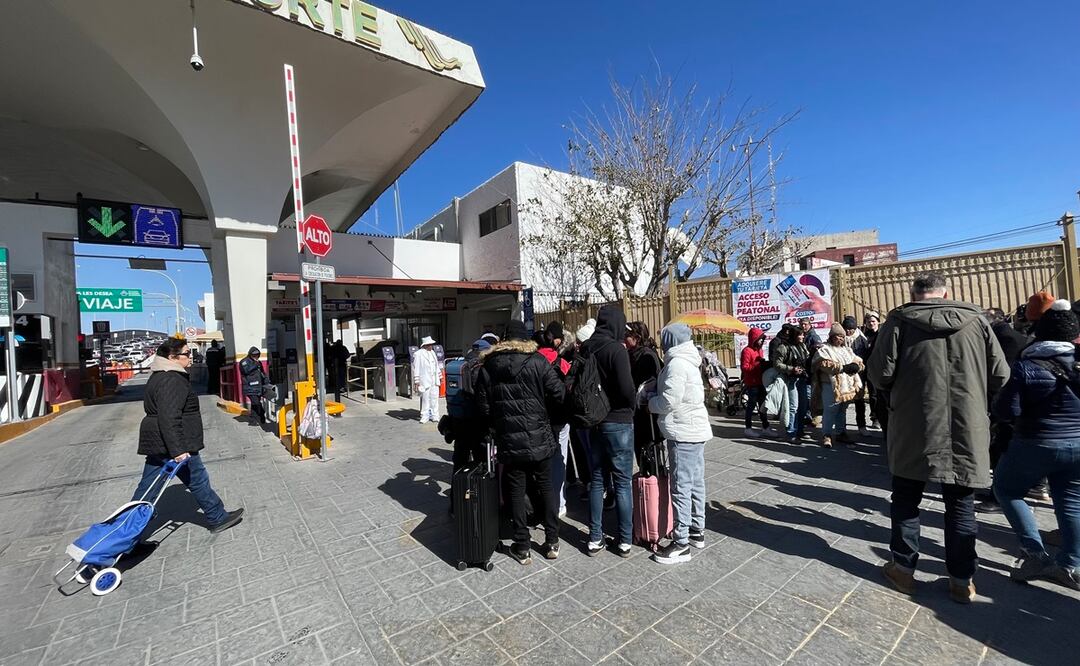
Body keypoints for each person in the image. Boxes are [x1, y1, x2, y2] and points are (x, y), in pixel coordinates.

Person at [868, 272, 1009, 604]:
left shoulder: (899, 322)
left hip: (913, 424)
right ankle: (962, 580)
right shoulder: (977, 322)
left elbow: (879, 372)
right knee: (961, 504)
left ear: (914, 294)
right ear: (946, 294)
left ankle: (903, 570)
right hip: (966, 426)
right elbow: (1001, 374)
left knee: (906, 498)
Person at [991, 300, 1080, 590]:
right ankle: (1071, 565)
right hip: (1078, 443)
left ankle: (1035, 554)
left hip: (1036, 441)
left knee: (1006, 489)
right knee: (1071, 501)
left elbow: (1007, 410)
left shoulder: (1026, 366)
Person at [476, 320, 565, 564]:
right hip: (540, 437)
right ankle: (552, 540)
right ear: (526, 339)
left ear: (504, 339)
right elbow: (559, 393)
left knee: (515, 490)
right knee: (546, 487)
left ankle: (522, 545)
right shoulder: (538, 361)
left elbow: (483, 407)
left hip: (509, 439)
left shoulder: (489, 366)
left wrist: (497, 423)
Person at [132, 338, 243, 533]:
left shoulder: (161, 375)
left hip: (161, 442)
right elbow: (169, 416)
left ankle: (127, 535)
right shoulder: (172, 379)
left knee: (148, 490)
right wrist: (178, 450)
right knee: (196, 479)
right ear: (172, 357)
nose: (190, 357)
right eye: (186, 354)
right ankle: (217, 517)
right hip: (174, 443)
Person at [648, 323, 712, 564]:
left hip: (683, 431)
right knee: (695, 482)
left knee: (681, 487)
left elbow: (668, 401)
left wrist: (649, 402)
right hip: (695, 429)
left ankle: (681, 543)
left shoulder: (676, 364)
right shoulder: (689, 360)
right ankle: (697, 530)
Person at [580, 304, 637, 557]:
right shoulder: (617, 350)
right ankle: (624, 540)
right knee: (622, 482)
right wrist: (632, 404)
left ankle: (594, 537)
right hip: (619, 420)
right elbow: (626, 389)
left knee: (597, 480)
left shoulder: (586, 348)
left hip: (593, 421)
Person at [537, 321, 572, 518]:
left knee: (542, 461)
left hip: (537, 418)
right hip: (559, 418)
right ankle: (559, 503)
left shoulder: (532, 361)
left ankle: (542, 502)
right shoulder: (562, 363)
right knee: (560, 458)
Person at [813, 323, 863, 448]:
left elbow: (858, 361)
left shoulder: (847, 350)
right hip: (830, 385)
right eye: (837, 336)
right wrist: (843, 367)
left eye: (842, 336)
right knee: (830, 410)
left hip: (846, 386)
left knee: (842, 410)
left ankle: (841, 432)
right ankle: (827, 434)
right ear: (831, 337)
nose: (840, 339)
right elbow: (823, 364)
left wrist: (857, 366)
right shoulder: (824, 349)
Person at [625, 321, 662, 468]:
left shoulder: (647, 355)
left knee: (649, 451)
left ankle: (652, 477)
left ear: (637, 338)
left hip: (647, 413)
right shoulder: (631, 354)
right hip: (636, 412)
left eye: (627, 336)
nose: (624, 339)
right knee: (640, 450)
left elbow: (651, 384)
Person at [773, 325, 811, 444]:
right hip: (791, 380)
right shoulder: (783, 347)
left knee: (803, 406)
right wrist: (791, 369)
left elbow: (807, 358)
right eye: (800, 335)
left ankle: (800, 430)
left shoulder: (802, 346)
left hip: (802, 380)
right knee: (793, 407)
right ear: (794, 335)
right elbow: (777, 364)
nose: (802, 337)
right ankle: (791, 433)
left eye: (803, 334)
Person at [740, 327, 770, 438]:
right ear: (754, 339)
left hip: (760, 381)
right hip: (752, 383)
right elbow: (744, 367)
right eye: (760, 339)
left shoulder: (759, 350)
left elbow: (759, 364)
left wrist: (763, 364)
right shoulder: (747, 351)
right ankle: (748, 428)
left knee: (763, 405)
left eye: (762, 339)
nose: (761, 341)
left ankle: (766, 427)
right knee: (751, 406)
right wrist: (757, 365)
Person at [413, 336, 441, 424]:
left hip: (434, 380)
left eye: (431, 344)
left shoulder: (433, 353)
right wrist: (417, 381)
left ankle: (435, 415)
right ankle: (424, 416)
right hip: (425, 380)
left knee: (434, 398)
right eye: (429, 344)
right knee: (425, 399)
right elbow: (416, 368)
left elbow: (436, 366)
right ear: (425, 345)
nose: (431, 346)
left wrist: (440, 377)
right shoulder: (418, 354)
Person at [238, 347, 269, 427]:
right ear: (250, 355)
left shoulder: (258, 363)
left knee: (255, 404)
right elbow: (246, 370)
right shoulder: (244, 362)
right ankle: (261, 414)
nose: (256, 357)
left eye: (257, 355)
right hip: (249, 387)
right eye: (254, 355)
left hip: (258, 387)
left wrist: (266, 381)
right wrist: (255, 364)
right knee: (256, 402)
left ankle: (253, 420)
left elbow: (262, 373)